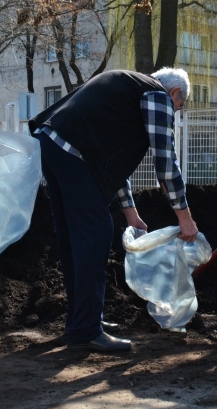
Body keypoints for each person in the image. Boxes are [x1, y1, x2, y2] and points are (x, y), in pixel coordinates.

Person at [29, 68, 200, 352]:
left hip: (52, 144)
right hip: (73, 150)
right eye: (178, 106)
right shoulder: (157, 95)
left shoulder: (129, 88)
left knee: (74, 237)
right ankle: (85, 330)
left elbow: (110, 160)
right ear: (174, 93)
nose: (174, 112)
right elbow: (166, 162)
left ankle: (80, 321)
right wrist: (185, 218)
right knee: (95, 233)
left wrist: (131, 212)